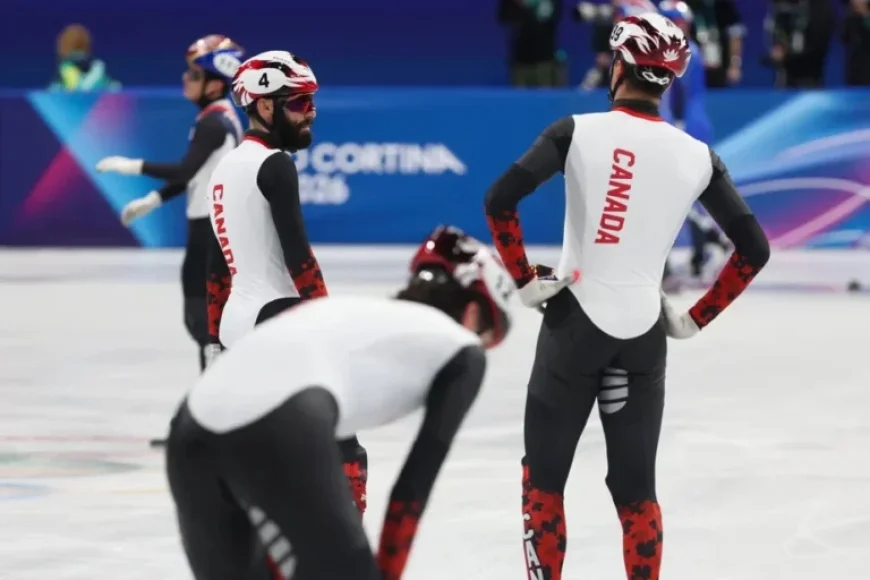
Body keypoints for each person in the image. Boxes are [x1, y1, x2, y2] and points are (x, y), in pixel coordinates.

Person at [483, 12, 770, 580]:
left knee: (544, 482)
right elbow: (754, 249)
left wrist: (523, 278)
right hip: (643, 334)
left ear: (618, 66)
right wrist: (694, 319)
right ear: (670, 78)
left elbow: (500, 200)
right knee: (637, 493)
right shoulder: (697, 155)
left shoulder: (574, 130)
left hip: (573, 328)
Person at [165, 225, 518, 580]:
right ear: (473, 313)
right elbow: (413, 487)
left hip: (190, 429)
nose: (484, 348)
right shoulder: (463, 350)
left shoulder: (355, 313)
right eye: (490, 337)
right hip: (280, 423)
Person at [202, 50, 371, 515]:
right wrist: (328, 321)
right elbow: (300, 257)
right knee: (344, 449)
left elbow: (216, 269)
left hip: (238, 322)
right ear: (264, 105)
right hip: (279, 315)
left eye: (311, 101)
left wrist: (214, 342)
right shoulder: (275, 163)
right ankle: (342, 549)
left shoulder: (224, 169)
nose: (310, 112)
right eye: (298, 103)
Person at [95, 35, 244, 371]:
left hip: (210, 234)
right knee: (204, 324)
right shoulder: (218, 117)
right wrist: (154, 199)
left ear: (213, 85)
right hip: (210, 230)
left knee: (205, 323)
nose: (185, 78)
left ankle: (216, 393)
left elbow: (185, 169)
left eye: (194, 74)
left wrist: (133, 166)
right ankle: (215, 389)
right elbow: (195, 175)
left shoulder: (214, 123)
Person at [658, 1, 730, 289]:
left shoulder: (675, 53)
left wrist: (676, 127)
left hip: (682, 128)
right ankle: (702, 253)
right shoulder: (692, 50)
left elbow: (679, 94)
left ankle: (714, 243)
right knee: (690, 195)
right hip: (693, 126)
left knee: (671, 197)